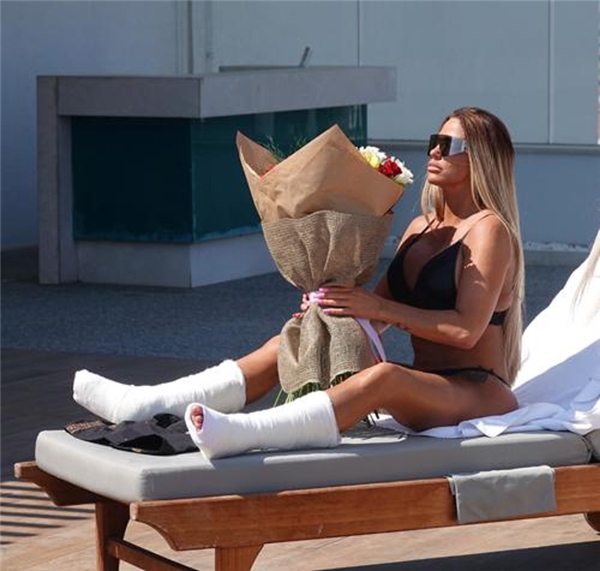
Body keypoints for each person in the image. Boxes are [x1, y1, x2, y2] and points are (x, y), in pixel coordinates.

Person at [74, 107, 524, 459]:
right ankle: (147, 404)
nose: (435, 152)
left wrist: (377, 309)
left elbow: (465, 331)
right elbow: (374, 312)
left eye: (449, 144)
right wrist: (329, 310)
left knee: (386, 376)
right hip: (427, 387)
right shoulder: (421, 227)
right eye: (433, 142)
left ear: (482, 156)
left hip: (475, 390)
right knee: (292, 341)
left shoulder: (490, 230)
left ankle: (245, 432)